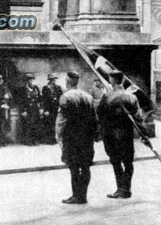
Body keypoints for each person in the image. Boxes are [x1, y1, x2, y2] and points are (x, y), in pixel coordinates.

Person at [97, 70, 144, 199]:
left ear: (112, 80)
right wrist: (143, 134)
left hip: (111, 134)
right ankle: (126, 189)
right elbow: (138, 118)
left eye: (110, 78)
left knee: (116, 162)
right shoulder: (131, 97)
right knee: (128, 163)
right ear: (122, 80)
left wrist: (100, 131)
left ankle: (120, 189)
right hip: (127, 134)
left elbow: (100, 114)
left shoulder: (107, 96)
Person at [56, 71, 97, 204]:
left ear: (67, 82)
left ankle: (76, 196)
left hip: (72, 137)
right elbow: (94, 119)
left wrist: (58, 136)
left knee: (73, 167)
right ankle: (83, 196)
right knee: (85, 167)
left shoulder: (65, 97)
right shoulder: (88, 97)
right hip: (87, 137)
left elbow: (61, 121)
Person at [41, 73, 63, 144]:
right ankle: (49, 140)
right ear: (50, 80)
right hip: (49, 108)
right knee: (49, 124)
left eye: (55, 79)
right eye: (52, 79)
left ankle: (56, 139)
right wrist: (45, 110)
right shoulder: (46, 88)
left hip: (56, 108)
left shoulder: (58, 87)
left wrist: (60, 107)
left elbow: (61, 98)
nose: (54, 81)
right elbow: (44, 100)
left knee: (56, 123)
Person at [20, 73, 42, 145]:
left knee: (35, 124)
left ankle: (34, 140)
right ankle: (28, 141)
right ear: (26, 81)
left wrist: (40, 108)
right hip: (27, 109)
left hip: (35, 109)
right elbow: (21, 101)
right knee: (28, 125)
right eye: (29, 79)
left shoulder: (35, 88)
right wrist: (23, 110)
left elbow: (39, 99)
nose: (30, 81)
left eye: (32, 79)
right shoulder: (23, 89)